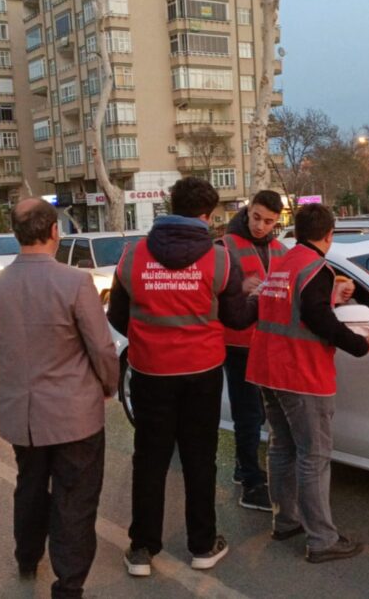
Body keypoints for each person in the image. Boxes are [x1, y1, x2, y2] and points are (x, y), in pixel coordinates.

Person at [108, 176, 256, 577]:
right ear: (207, 216)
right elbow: (236, 318)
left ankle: (142, 549)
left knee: (150, 459)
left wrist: (151, 337)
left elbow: (116, 317)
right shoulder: (221, 259)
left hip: (150, 373)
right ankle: (203, 545)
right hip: (202, 374)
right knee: (199, 458)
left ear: (170, 206)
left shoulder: (133, 256)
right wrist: (256, 298)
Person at [0, 198, 119, 597]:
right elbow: (102, 349)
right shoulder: (75, 282)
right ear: (55, 231)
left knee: (30, 484)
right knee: (75, 498)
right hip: (76, 415)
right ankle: (69, 584)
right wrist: (108, 386)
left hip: (21, 416)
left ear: (16, 234)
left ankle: (26, 556)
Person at [246, 203, 369, 564]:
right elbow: (318, 317)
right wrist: (359, 344)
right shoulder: (318, 268)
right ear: (329, 235)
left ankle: (285, 520)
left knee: (282, 448)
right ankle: (322, 539)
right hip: (299, 373)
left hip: (266, 368)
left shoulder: (283, 263)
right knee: (313, 456)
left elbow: (294, 306)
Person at [217, 191, 287, 511]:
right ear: (248, 212)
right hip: (237, 343)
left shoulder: (278, 248)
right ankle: (250, 483)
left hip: (266, 340)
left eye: (269, 221)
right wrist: (238, 288)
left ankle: (244, 469)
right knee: (250, 414)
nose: (260, 226)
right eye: (256, 217)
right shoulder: (225, 246)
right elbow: (212, 291)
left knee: (257, 413)